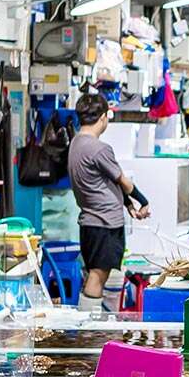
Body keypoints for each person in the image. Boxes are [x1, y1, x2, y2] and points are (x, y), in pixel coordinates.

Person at [68, 93, 149, 312]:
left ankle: (91, 323)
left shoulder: (76, 143)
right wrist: (143, 201)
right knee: (98, 275)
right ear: (103, 117)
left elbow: (104, 182)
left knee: (94, 274)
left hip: (90, 222)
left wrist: (127, 204)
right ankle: (90, 327)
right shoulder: (99, 148)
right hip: (105, 224)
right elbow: (123, 181)